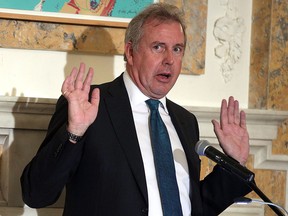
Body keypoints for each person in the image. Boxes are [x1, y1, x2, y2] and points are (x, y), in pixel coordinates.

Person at [21, 3, 251, 216]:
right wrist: (74, 133)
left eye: (177, 49)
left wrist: (235, 164)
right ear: (130, 53)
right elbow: (37, 194)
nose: (169, 59)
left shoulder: (185, 121)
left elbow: (194, 206)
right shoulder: (91, 106)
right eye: (158, 47)